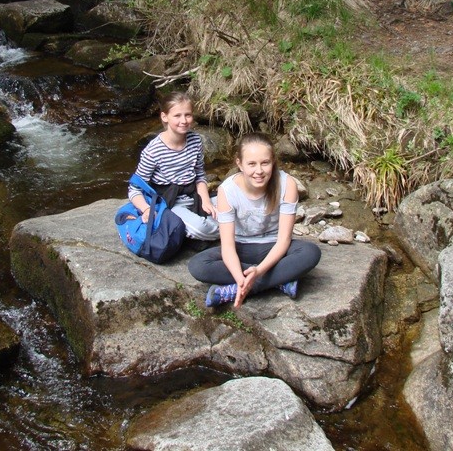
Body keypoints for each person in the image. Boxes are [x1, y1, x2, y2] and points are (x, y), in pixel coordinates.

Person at [188, 132, 321, 308]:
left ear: (272, 162)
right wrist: (239, 276)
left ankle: (234, 290)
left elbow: (283, 240)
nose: (259, 171)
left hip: (273, 246)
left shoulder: (286, 184)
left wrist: (258, 271)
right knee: (198, 265)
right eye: (251, 164)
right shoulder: (227, 190)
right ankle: (280, 280)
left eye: (264, 163)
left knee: (310, 252)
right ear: (240, 164)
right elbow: (227, 246)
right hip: (241, 247)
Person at [128, 91, 219, 242]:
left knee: (232, 204)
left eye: (188, 115)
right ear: (165, 117)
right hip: (171, 203)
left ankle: (220, 228)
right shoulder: (153, 151)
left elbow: (200, 176)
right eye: (177, 116)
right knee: (200, 228)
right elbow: (134, 188)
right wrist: (146, 209)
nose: (184, 120)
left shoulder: (195, 140)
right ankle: (229, 231)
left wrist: (206, 201)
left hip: (195, 195)